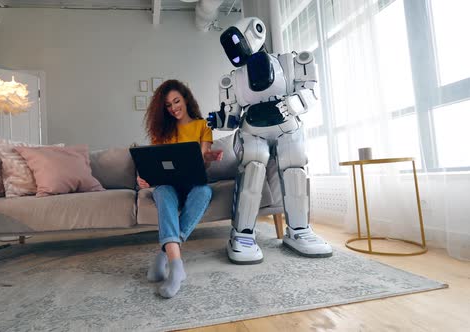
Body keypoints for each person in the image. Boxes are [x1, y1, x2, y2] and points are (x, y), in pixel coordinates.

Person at [207, 17, 332, 264]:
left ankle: (299, 230)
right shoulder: (233, 79)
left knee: (295, 166)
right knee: (252, 169)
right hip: (252, 128)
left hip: (288, 125)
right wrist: (219, 119)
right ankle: (242, 234)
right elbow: (232, 117)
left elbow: (311, 91)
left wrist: (293, 103)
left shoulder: (290, 62)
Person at [138, 79, 223, 298]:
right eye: (168, 105)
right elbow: (154, 162)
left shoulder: (203, 126)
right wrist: (143, 177)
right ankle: (177, 267)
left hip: (194, 183)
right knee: (163, 191)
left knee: (204, 192)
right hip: (168, 185)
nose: (174, 107)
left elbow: (202, 160)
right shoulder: (162, 131)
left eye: (177, 101)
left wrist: (209, 157)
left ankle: (163, 257)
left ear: (186, 99)